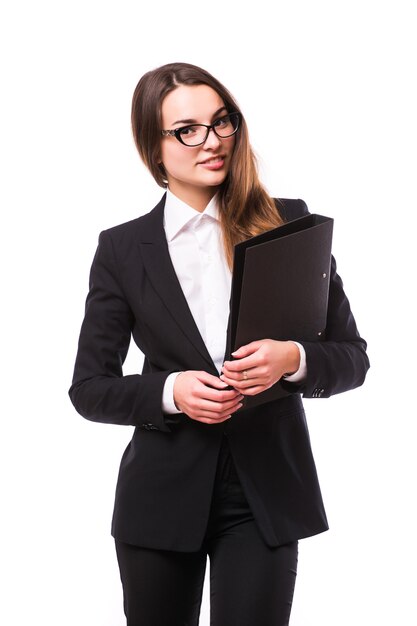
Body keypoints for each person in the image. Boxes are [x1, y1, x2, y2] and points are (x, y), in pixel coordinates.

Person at [69, 62, 370, 626]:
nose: (212, 141)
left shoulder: (288, 223)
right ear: (154, 149)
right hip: (159, 498)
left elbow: (353, 356)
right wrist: (170, 391)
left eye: (221, 122)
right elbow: (89, 388)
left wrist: (295, 359)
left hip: (265, 495)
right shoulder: (122, 249)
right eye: (187, 129)